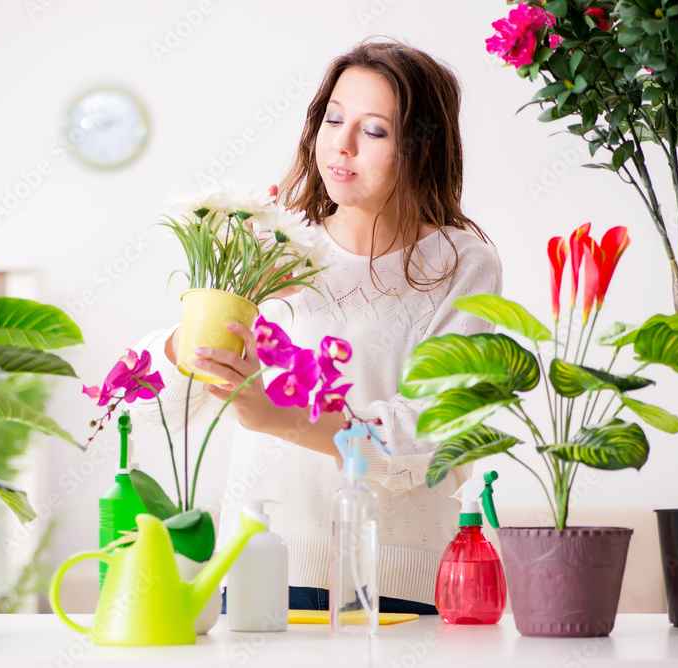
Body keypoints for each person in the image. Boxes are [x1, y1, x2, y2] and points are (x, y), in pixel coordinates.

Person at [131, 39, 502, 614]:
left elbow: (438, 432)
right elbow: (153, 405)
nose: (342, 146)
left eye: (374, 131)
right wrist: (192, 342)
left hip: (400, 580)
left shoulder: (462, 264)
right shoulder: (269, 244)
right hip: (261, 571)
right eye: (333, 119)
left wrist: (282, 417)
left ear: (421, 148)